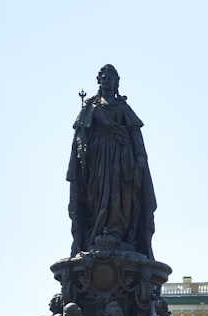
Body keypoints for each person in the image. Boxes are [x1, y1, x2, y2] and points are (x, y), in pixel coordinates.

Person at [67, 64, 156, 259]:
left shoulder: (122, 107)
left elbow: (135, 132)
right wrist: (81, 151)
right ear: (99, 80)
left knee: (121, 196)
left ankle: (118, 233)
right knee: (96, 194)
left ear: (116, 82)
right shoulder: (91, 105)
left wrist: (140, 156)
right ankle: (95, 234)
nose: (108, 80)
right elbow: (80, 135)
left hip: (122, 156)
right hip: (98, 157)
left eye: (111, 78)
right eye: (105, 77)